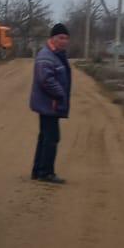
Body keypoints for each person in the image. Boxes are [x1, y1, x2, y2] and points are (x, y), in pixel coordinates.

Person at [30, 22, 72, 183]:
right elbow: (45, 80)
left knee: (45, 137)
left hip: (49, 104)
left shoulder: (55, 54)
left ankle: (38, 170)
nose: (64, 41)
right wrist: (60, 94)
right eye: (61, 38)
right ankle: (46, 172)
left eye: (66, 38)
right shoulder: (47, 56)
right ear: (53, 38)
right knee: (51, 138)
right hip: (49, 104)